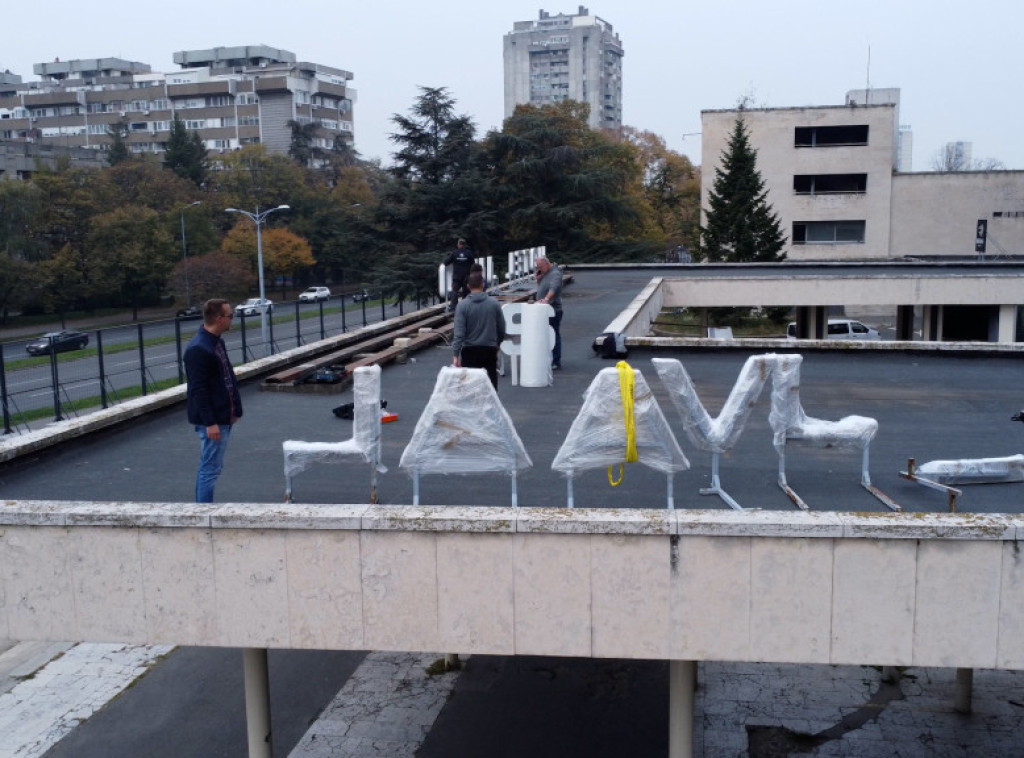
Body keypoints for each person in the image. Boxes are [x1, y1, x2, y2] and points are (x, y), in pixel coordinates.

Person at [184, 298, 243, 503]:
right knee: (209, 469)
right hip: (213, 421)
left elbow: (227, 378)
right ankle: (204, 512)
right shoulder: (198, 348)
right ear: (219, 319)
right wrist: (210, 423)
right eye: (230, 315)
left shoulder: (216, 342)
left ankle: (203, 509)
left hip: (222, 417)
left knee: (212, 467)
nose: (232, 319)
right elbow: (198, 389)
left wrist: (235, 409)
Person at [452, 272, 506, 390]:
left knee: (470, 389)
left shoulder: (462, 306)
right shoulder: (494, 304)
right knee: (490, 389)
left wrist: (456, 354)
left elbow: (459, 333)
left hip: (469, 352)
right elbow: (501, 328)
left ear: (468, 286)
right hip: (489, 350)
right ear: (483, 284)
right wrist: (498, 343)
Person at [534, 256, 564, 370]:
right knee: (546, 334)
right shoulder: (545, 274)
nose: (539, 269)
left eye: (540, 267)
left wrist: (546, 299)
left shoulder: (555, 274)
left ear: (547, 263)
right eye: (538, 267)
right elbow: (543, 288)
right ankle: (549, 358)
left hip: (553, 309)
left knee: (554, 334)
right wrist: (539, 280)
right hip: (544, 308)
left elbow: (553, 288)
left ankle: (556, 360)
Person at [444, 238, 475, 312]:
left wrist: (442, 264)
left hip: (457, 276)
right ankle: (465, 307)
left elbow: (448, 261)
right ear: (465, 245)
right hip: (466, 276)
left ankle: (454, 307)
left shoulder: (455, 253)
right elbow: (473, 263)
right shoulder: (469, 253)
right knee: (466, 291)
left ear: (458, 244)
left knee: (455, 291)